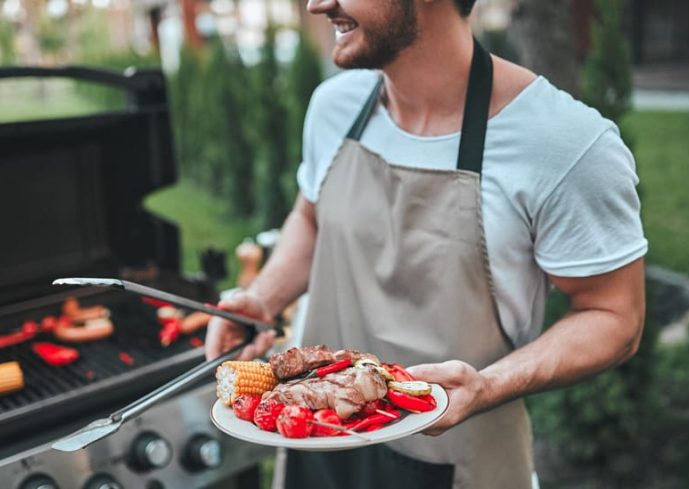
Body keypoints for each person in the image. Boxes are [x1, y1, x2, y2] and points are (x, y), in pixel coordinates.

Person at [206, 0, 647, 487]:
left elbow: (615, 316)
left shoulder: (563, 143)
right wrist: (264, 298)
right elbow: (311, 219)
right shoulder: (334, 106)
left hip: (459, 459)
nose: (317, 4)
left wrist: (489, 385)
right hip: (316, 441)